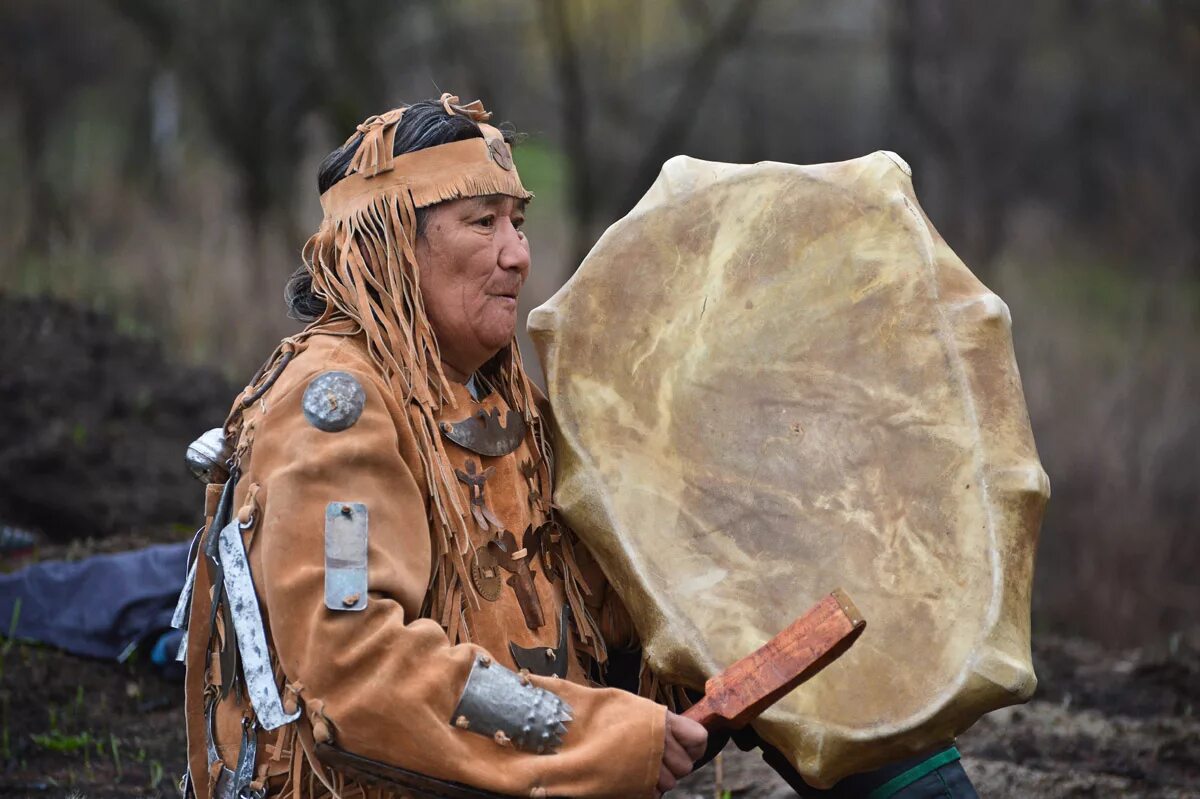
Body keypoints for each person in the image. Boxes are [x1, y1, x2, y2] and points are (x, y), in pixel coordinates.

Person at [179, 95, 707, 799]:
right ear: (390, 243)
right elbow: (358, 665)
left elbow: (596, 606)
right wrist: (587, 733)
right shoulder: (336, 411)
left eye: (518, 222)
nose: (518, 254)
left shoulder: (500, 395)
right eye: (482, 222)